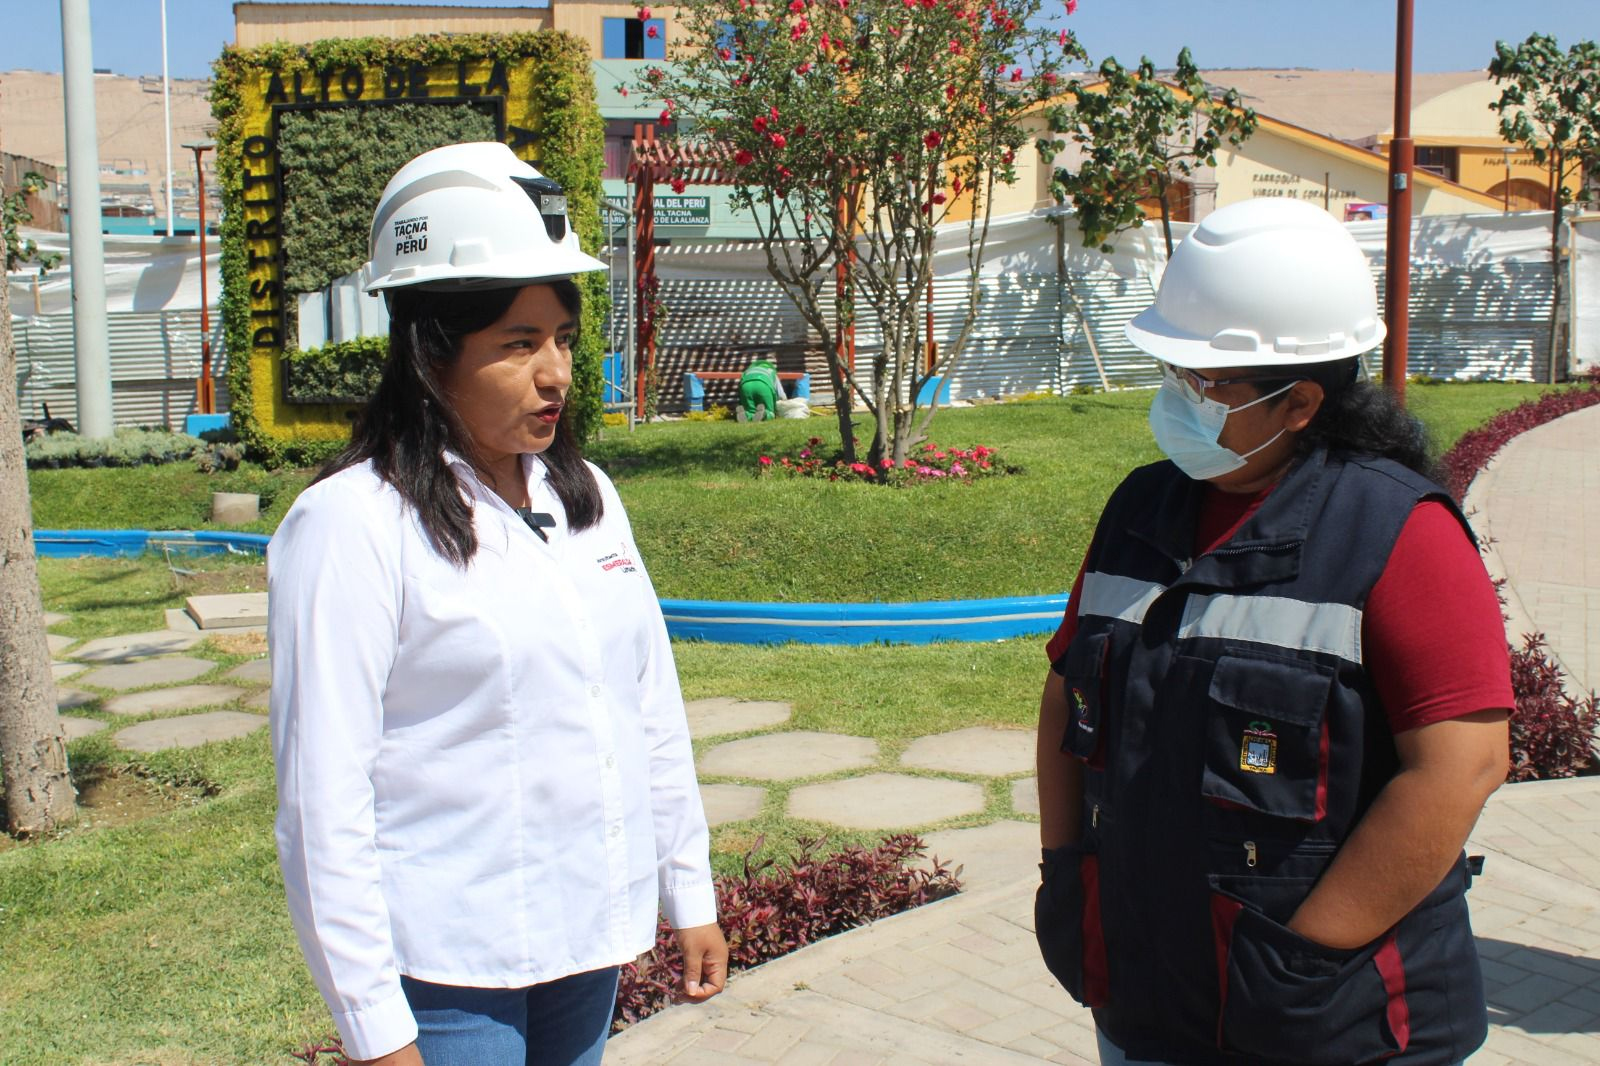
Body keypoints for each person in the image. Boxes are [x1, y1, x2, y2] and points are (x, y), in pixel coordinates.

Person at [269, 142, 728, 1066]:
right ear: (430, 351)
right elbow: (321, 799)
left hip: (584, 944)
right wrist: (374, 1027)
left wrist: (689, 890)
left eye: (563, 337)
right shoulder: (352, 524)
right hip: (448, 975)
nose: (556, 372)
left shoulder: (585, 497)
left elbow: (647, 705)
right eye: (518, 345)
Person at [1033, 198, 1511, 1066]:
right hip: (1146, 1000)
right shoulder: (1141, 507)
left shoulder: (1397, 532)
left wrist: (1299, 964)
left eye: (1204, 384)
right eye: (1173, 370)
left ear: (1300, 404)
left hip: (1330, 1022)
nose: (1176, 397)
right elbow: (1067, 693)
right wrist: (1064, 870)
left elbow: (1462, 765)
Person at [736, 355, 784, 421]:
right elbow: (780, 393)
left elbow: (740, 385)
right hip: (763, 385)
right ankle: (765, 414)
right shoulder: (771, 372)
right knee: (770, 411)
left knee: (750, 410)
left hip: (746, 386)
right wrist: (784, 401)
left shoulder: (747, 371)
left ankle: (746, 414)